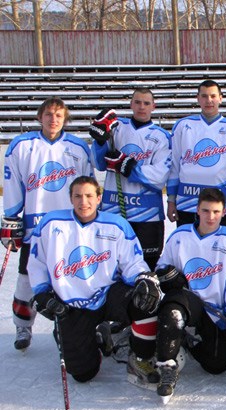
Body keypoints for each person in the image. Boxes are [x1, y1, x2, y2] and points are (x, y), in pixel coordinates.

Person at [27, 176, 162, 385]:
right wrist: (42, 293)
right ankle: (97, 338)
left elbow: (132, 262)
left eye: (89, 196)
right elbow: (36, 263)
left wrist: (143, 278)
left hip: (107, 293)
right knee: (82, 374)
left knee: (147, 301)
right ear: (70, 198)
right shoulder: (51, 224)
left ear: (99, 198)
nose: (84, 202)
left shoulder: (116, 225)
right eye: (78, 196)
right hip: (70, 302)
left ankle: (141, 358)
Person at [1, 97, 93, 352]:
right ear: (39, 117)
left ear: (66, 120)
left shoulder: (78, 147)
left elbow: (88, 186)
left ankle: (70, 327)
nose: (54, 119)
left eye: (59, 115)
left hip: (69, 227)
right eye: (49, 114)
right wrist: (11, 217)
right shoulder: (22, 145)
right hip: (35, 229)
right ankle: (23, 326)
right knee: (26, 279)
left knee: (70, 277)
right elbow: (12, 183)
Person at [153, 187, 226, 403]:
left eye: (216, 212)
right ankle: (167, 366)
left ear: (224, 212)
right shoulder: (180, 236)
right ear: (197, 210)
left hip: (216, 310)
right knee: (173, 307)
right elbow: (161, 267)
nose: (210, 217)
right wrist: (169, 277)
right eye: (206, 211)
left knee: (217, 365)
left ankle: (185, 340)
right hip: (189, 302)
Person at [89, 88, 172, 271]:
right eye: (138, 102)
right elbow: (98, 163)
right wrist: (100, 141)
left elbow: (159, 177)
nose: (142, 107)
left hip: (147, 216)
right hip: (113, 211)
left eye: (146, 103)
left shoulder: (162, 136)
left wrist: (127, 166)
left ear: (153, 107)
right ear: (131, 104)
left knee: (147, 268)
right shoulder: (116, 128)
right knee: (110, 266)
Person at [167, 79, 226, 229]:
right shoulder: (183, 126)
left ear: (220, 98)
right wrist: (171, 200)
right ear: (198, 99)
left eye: (213, 96)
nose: (209, 100)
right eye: (204, 96)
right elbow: (174, 166)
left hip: (222, 205)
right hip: (186, 203)